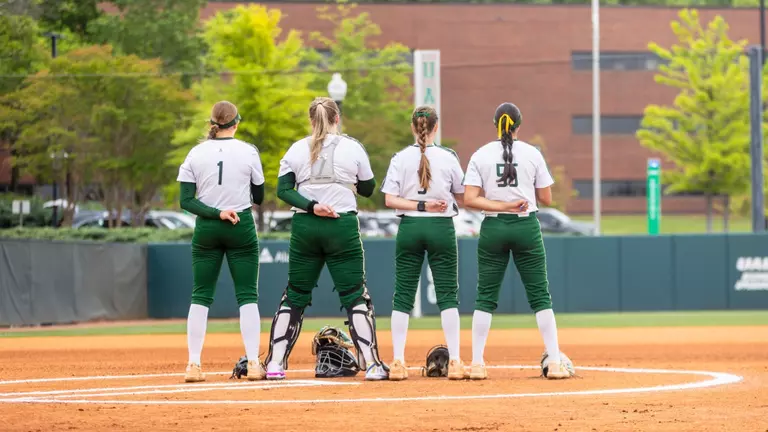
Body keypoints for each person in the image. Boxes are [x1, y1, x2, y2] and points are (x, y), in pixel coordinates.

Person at [263, 96, 389, 381]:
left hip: (306, 226)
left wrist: (311, 205)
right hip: (341, 225)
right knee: (356, 295)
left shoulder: (297, 148)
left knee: (294, 295)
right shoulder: (352, 147)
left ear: (311, 120)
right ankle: (371, 364)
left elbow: (283, 191)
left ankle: (275, 363)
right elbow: (369, 188)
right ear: (337, 119)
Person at [462, 102, 572, 380]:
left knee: (485, 297)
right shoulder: (532, 153)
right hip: (526, 227)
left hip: (493, 226)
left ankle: (476, 363)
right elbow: (546, 198)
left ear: (495, 124)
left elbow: (470, 199)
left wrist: (501, 204)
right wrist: (518, 199)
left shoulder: (481, 154)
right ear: (519, 126)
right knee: (540, 296)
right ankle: (556, 362)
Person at [177, 101, 266, 383]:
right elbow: (260, 196)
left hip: (207, 227)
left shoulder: (195, 152)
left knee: (200, 295)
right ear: (236, 123)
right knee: (247, 296)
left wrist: (215, 212)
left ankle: (193, 364)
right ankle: (253, 362)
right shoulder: (249, 151)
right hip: (240, 224)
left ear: (213, 123)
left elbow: (185, 200)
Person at [380, 106, 466, 381]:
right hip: (441, 226)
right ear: (435, 128)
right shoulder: (448, 156)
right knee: (448, 296)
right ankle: (454, 361)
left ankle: (397, 362)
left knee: (403, 295)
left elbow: (389, 199)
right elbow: (463, 194)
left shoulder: (400, 157)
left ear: (413, 128)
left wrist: (419, 205)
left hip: (410, 226)